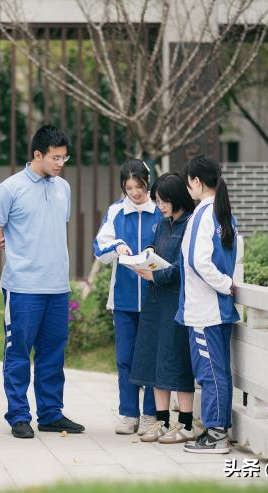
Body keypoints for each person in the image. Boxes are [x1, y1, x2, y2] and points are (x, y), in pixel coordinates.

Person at [0, 124, 84, 439]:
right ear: (37, 154)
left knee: (53, 353)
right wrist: (8, 245)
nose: (60, 164)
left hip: (57, 287)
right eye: (55, 158)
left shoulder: (62, 188)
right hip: (23, 288)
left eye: (64, 158)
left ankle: (51, 414)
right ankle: (18, 416)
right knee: (18, 353)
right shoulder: (9, 189)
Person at [93, 160, 162, 436]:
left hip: (155, 299)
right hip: (122, 300)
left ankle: (149, 414)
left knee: (151, 359)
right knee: (125, 358)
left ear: (149, 181)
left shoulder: (159, 211)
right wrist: (116, 246)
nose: (134, 193)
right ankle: (128, 413)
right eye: (128, 187)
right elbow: (99, 248)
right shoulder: (116, 212)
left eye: (139, 186)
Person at [176, 155, 239, 454]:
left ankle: (216, 435)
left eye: (189, 183)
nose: (188, 189)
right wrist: (227, 286)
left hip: (205, 309)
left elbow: (198, 261)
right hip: (218, 308)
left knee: (210, 373)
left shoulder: (203, 213)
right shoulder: (224, 212)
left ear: (197, 183)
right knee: (218, 372)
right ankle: (217, 431)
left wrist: (225, 285)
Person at [128, 173, 197, 444]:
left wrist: (155, 275)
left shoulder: (189, 224)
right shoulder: (162, 224)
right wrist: (146, 257)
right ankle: (161, 420)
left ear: (177, 197)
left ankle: (186, 423)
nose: (160, 206)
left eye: (164, 201)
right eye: (157, 201)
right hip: (155, 301)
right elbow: (157, 250)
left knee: (176, 360)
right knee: (154, 358)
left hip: (176, 300)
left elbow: (183, 267)